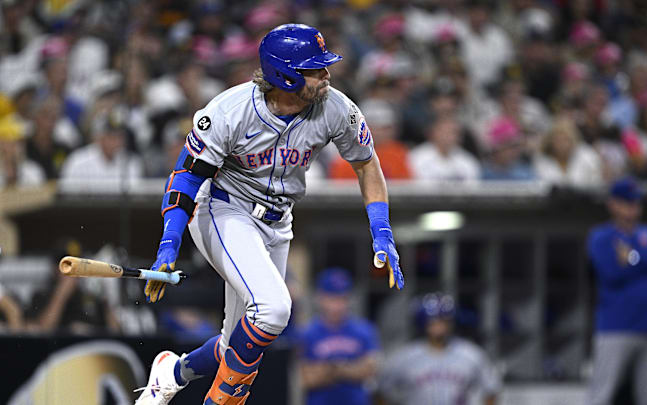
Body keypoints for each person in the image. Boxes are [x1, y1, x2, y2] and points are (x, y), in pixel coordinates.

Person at [134, 23, 404, 405]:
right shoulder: (228, 111)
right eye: (315, 69)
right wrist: (168, 245)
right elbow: (185, 180)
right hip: (224, 208)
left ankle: (172, 373)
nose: (326, 75)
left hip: (278, 220)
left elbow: (367, 165)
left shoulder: (336, 108)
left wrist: (382, 231)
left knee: (237, 340)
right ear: (285, 75)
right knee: (274, 309)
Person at [586, 177, 647, 405]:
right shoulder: (601, 236)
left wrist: (632, 257)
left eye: (636, 202)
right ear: (613, 204)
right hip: (615, 327)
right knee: (601, 395)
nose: (632, 208)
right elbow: (611, 272)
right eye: (626, 202)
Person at [379, 292, 501, 405]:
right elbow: (381, 391)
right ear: (423, 322)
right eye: (433, 321)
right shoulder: (405, 356)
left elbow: (491, 389)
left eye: (443, 320)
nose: (438, 325)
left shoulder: (471, 353)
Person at [298, 267, 380, 405]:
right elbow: (306, 378)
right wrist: (350, 369)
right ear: (320, 298)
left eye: (342, 298)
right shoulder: (307, 333)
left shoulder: (364, 330)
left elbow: (369, 370)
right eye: (332, 298)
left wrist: (329, 369)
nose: (337, 305)